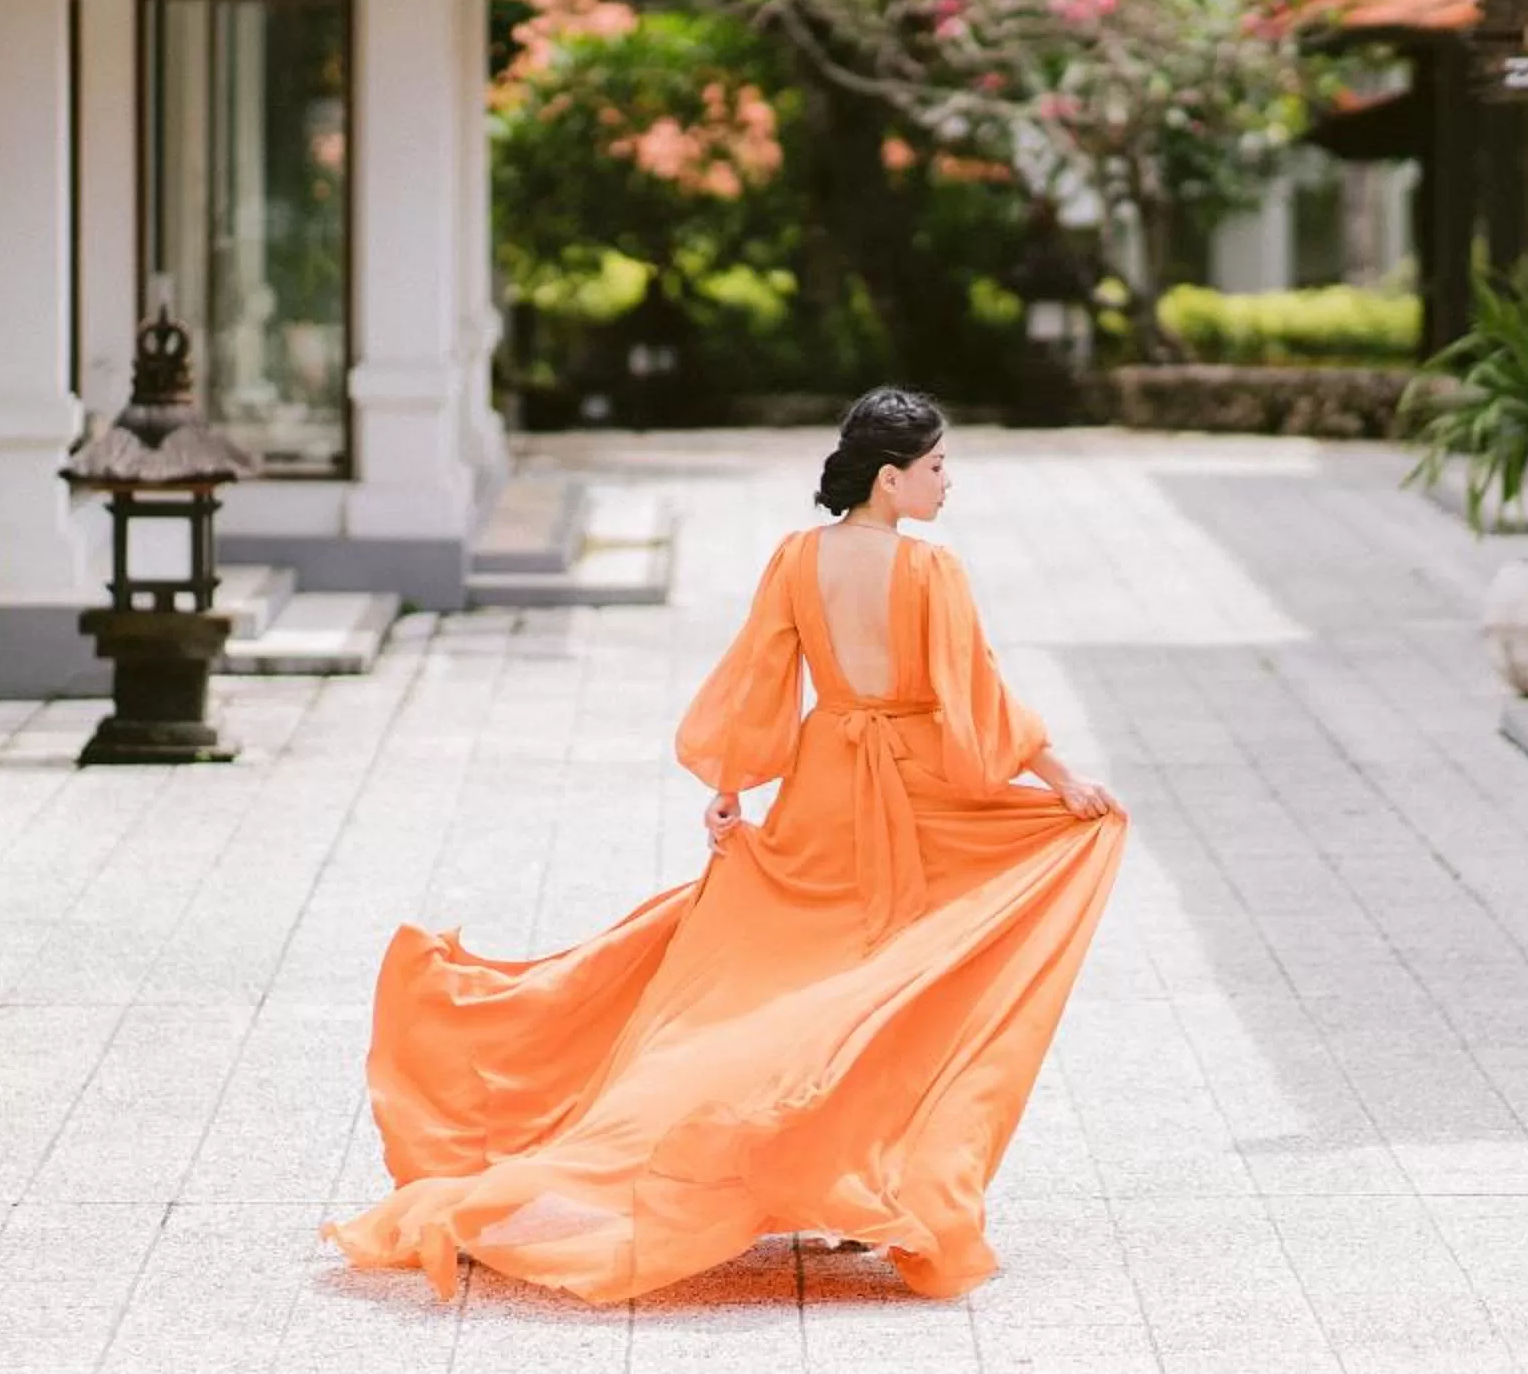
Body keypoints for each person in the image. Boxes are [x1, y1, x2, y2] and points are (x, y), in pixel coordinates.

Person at [325, 388, 1128, 1304]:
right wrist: (1059, 778)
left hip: (823, 785)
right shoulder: (931, 573)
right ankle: (841, 1179)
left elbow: (761, 678)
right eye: (938, 466)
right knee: (887, 990)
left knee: (789, 979)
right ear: (892, 477)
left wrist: (731, 788)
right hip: (909, 789)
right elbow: (974, 696)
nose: (949, 482)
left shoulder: (797, 558)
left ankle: (802, 1171)